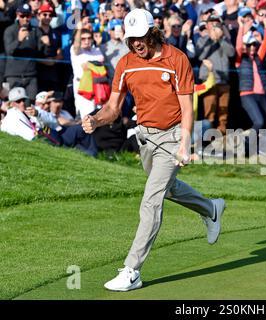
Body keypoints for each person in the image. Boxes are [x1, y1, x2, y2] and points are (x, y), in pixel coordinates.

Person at [81, 9, 226, 292]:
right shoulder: (126, 64)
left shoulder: (177, 59)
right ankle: (211, 209)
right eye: (131, 38)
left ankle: (132, 270)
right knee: (166, 189)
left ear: (153, 32)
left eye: (140, 37)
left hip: (172, 138)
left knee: (151, 200)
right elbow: (113, 107)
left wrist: (185, 144)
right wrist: (96, 120)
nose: (136, 43)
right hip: (145, 138)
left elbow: (187, 106)